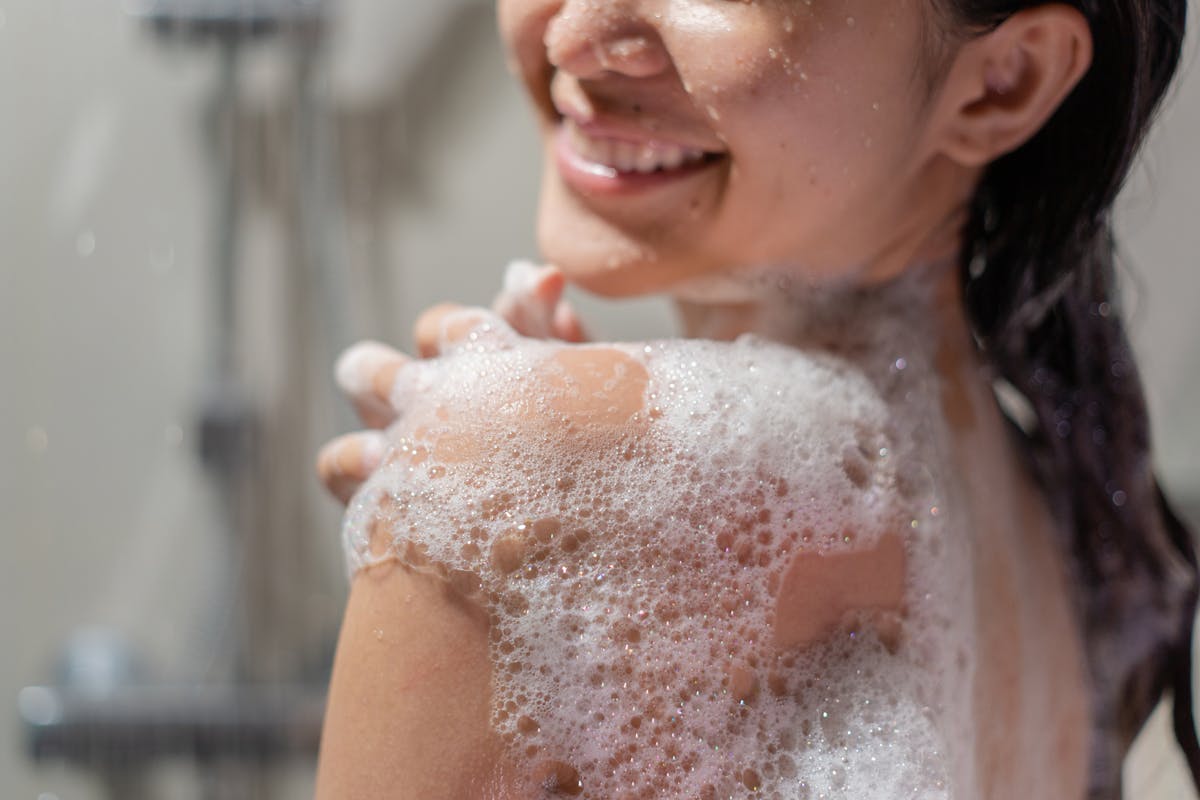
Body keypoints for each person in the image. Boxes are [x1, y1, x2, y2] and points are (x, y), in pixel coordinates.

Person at [313, 0, 1200, 797]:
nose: (571, 35)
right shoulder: (1068, 533)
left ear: (1005, 82)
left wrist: (515, 470)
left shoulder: (533, 472)